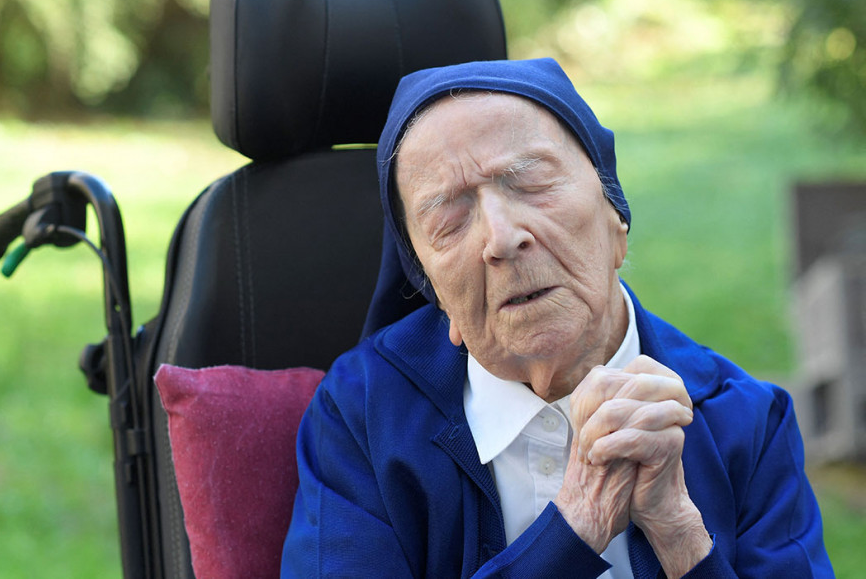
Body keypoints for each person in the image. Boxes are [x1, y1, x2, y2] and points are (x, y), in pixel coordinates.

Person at [280, 58, 833, 577]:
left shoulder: (744, 421)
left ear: (616, 217)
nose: (501, 237)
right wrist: (577, 524)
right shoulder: (363, 416)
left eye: (531, 182)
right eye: (450, 219)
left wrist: (681, 534)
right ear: (435, 293)